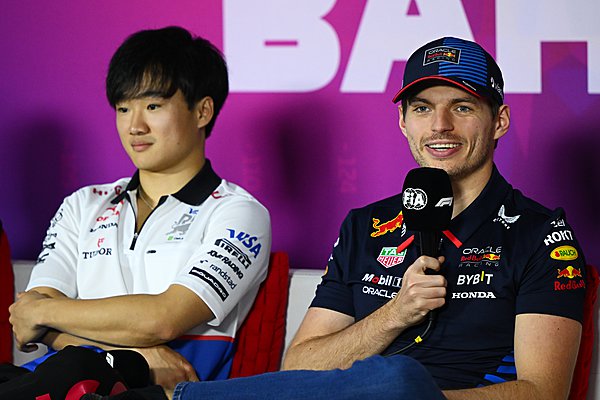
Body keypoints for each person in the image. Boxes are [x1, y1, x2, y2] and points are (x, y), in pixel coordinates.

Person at [17, 36, 588, 400]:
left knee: (396, 379)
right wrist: (394, 315)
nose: (439, 126)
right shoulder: (367, 224)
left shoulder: (543, 233)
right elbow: (302, 364)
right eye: (422, 108)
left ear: (500, 120)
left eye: (462, 107)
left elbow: (543, 391)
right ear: (403, 123)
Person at [6, 26, 271, 398]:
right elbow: (30, 322)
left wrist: (45, 313)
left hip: (157, 393)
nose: (135, 126)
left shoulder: (238, 213)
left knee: (72, 370)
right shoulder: (82, 204)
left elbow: (163, 319)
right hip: (56, 383)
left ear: (202, 111)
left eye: (152, 106)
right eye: (123, 108)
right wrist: (138, 356)